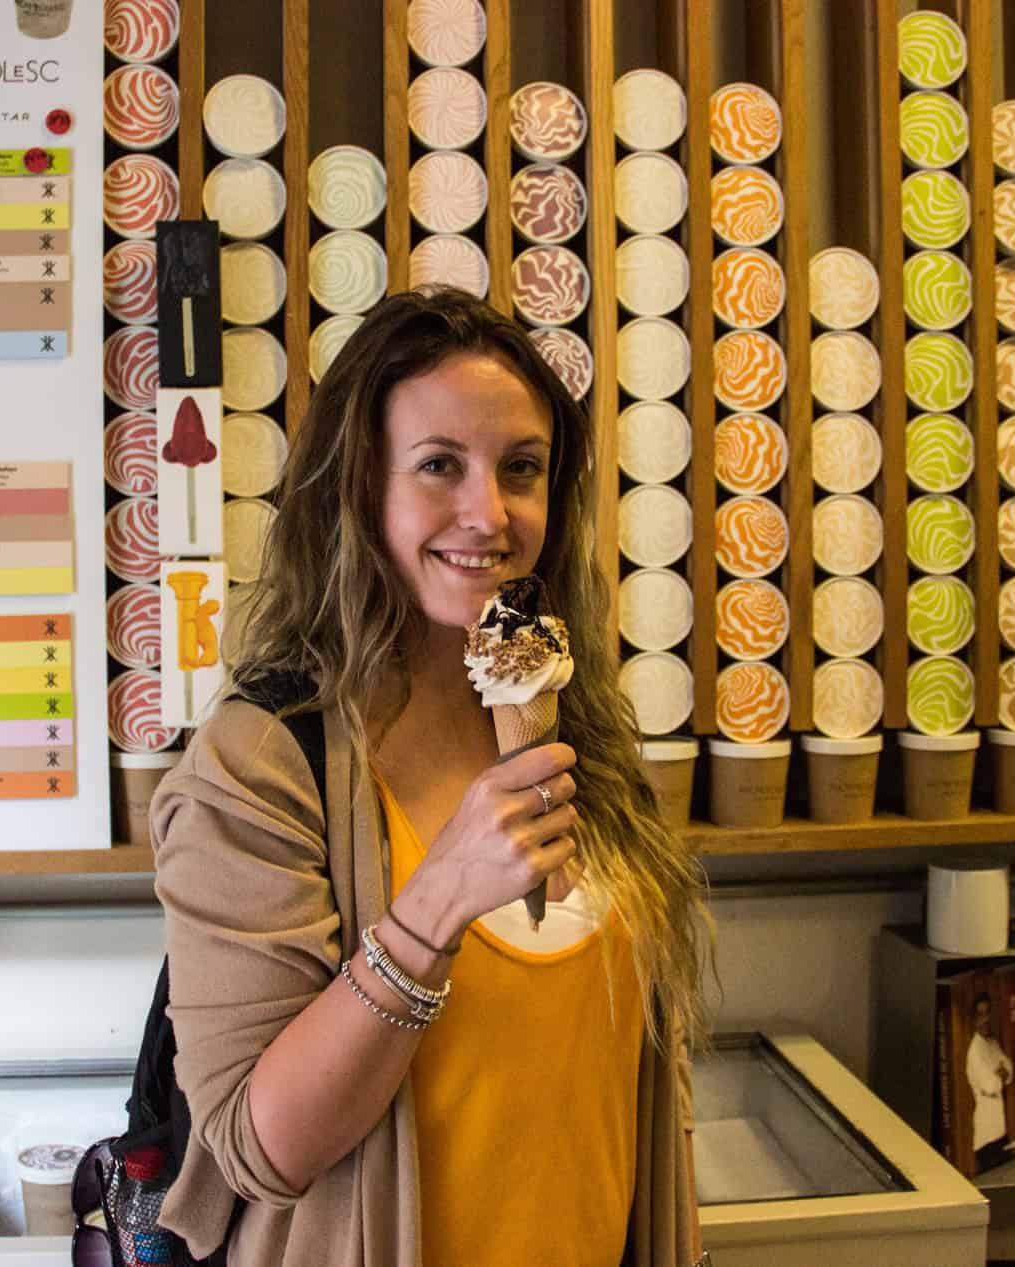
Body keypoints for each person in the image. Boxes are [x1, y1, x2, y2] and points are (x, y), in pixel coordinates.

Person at [150, 287, 713, 1266]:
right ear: (361, 487)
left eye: (521, 468)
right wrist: (437, 901)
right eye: (439, 466)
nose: (487, 513)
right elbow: (253, 1146)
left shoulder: (579, 721)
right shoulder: (262, 761)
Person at [966, 991, 1015, 1174]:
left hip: (999, 1122)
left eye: (988, 1013)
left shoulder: (992, 1043)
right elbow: (991, 1084)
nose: (985, 1019)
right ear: (973, 1019)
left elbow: (1009, 1070)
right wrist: (1000, 1071)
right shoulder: (974, 1051)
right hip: (986, 1129)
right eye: (980, 1014)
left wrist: (1002, 1071)